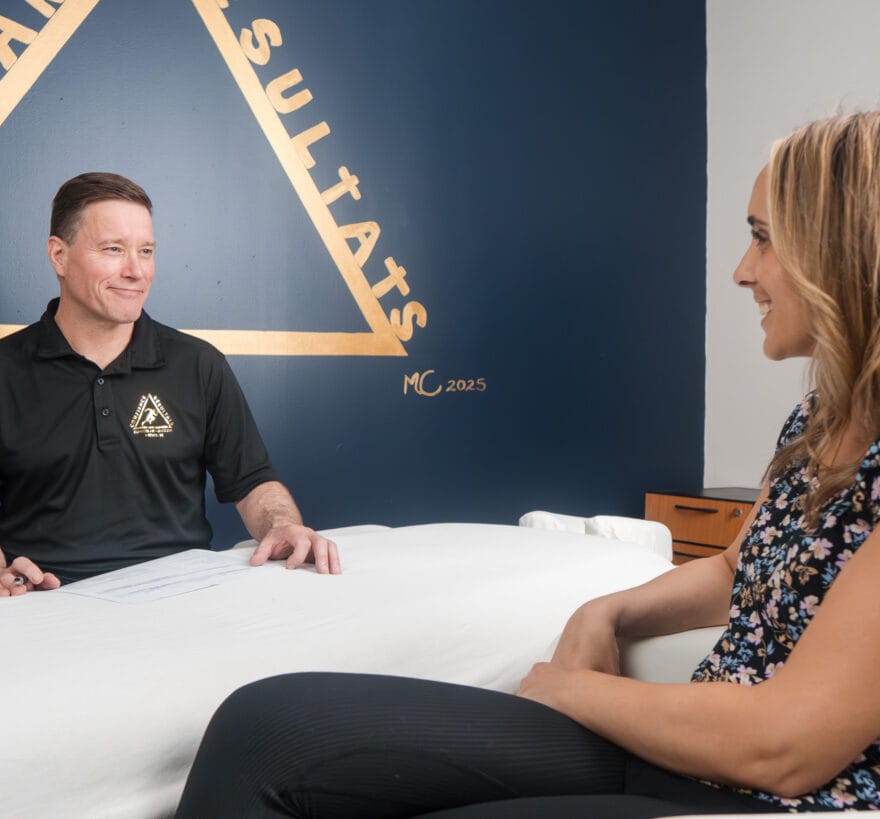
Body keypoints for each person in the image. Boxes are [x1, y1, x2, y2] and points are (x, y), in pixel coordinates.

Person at [175, 111, 880, 817]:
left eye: (763, 238)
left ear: (840, 252)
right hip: (682, 753)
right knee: (261, 730)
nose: (742, 270)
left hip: (780, 800)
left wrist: (574, 689)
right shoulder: (816, 421)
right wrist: (604, 611)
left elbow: (786, 748)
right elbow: (734, 570)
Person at [0, 172, 340, 598]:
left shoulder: (199, 364)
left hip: (185, 597)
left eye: (146, 251)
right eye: (113, 249)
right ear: (59, 255)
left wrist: (283, 525)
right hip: (48, 603)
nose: (136, 271)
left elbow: (253, 484)